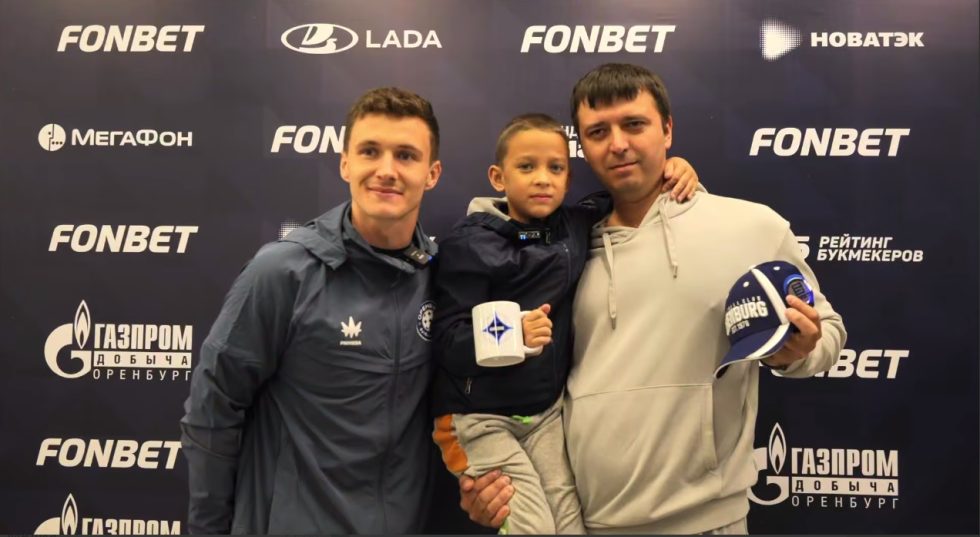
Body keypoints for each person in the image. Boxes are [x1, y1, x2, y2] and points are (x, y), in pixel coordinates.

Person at [461, 63, 847, 534]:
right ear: (584, 147)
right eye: (598, 132)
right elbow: (491, 233)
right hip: (583, 522)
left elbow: (828, 332)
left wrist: (794, 351)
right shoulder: (558, 248)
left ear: (667, 130)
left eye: (634, 124)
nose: (617, 144)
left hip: (708, 522)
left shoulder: (751, 227)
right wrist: (496, 482)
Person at [180, 87, 443, 534]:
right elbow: (212, 411)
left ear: (431, 173)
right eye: (369, 151)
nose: (386, 170)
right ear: (345, 163)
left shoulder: (444, 278)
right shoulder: (282, 272)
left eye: (405, 155)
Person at [430, 113, 699, 534]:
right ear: (498, 177)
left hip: (544, 415)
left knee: (570, 525)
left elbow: (625, 196)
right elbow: (447, 341)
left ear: (568, 179)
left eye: (555, 168)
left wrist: (674, 169)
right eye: (527, 167)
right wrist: (515, 334)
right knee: (533, 527)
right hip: (476, 418)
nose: (542, 179)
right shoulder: (469, 244)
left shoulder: (573, 226)